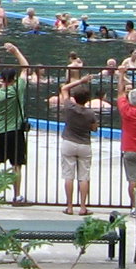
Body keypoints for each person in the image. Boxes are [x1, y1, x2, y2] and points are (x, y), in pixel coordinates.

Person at [0, 46, 33, 189]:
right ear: (14, 79)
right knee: (16, 165)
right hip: (15, 132)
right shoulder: (17, 89)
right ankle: (17, 195)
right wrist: (15, 51)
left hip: (1, 131)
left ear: (1, 78)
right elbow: (25, 68)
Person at [52, 78, 97, 214]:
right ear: (87, 99)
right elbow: (94, 128)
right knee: (84, 177)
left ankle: (70, 206)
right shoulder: (90, 113)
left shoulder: (69, 107)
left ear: (74, 98)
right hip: (84, 144)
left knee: (68, 176)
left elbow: (64, 89)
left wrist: (80, 81)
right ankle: (83, 207)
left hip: (68, 142)